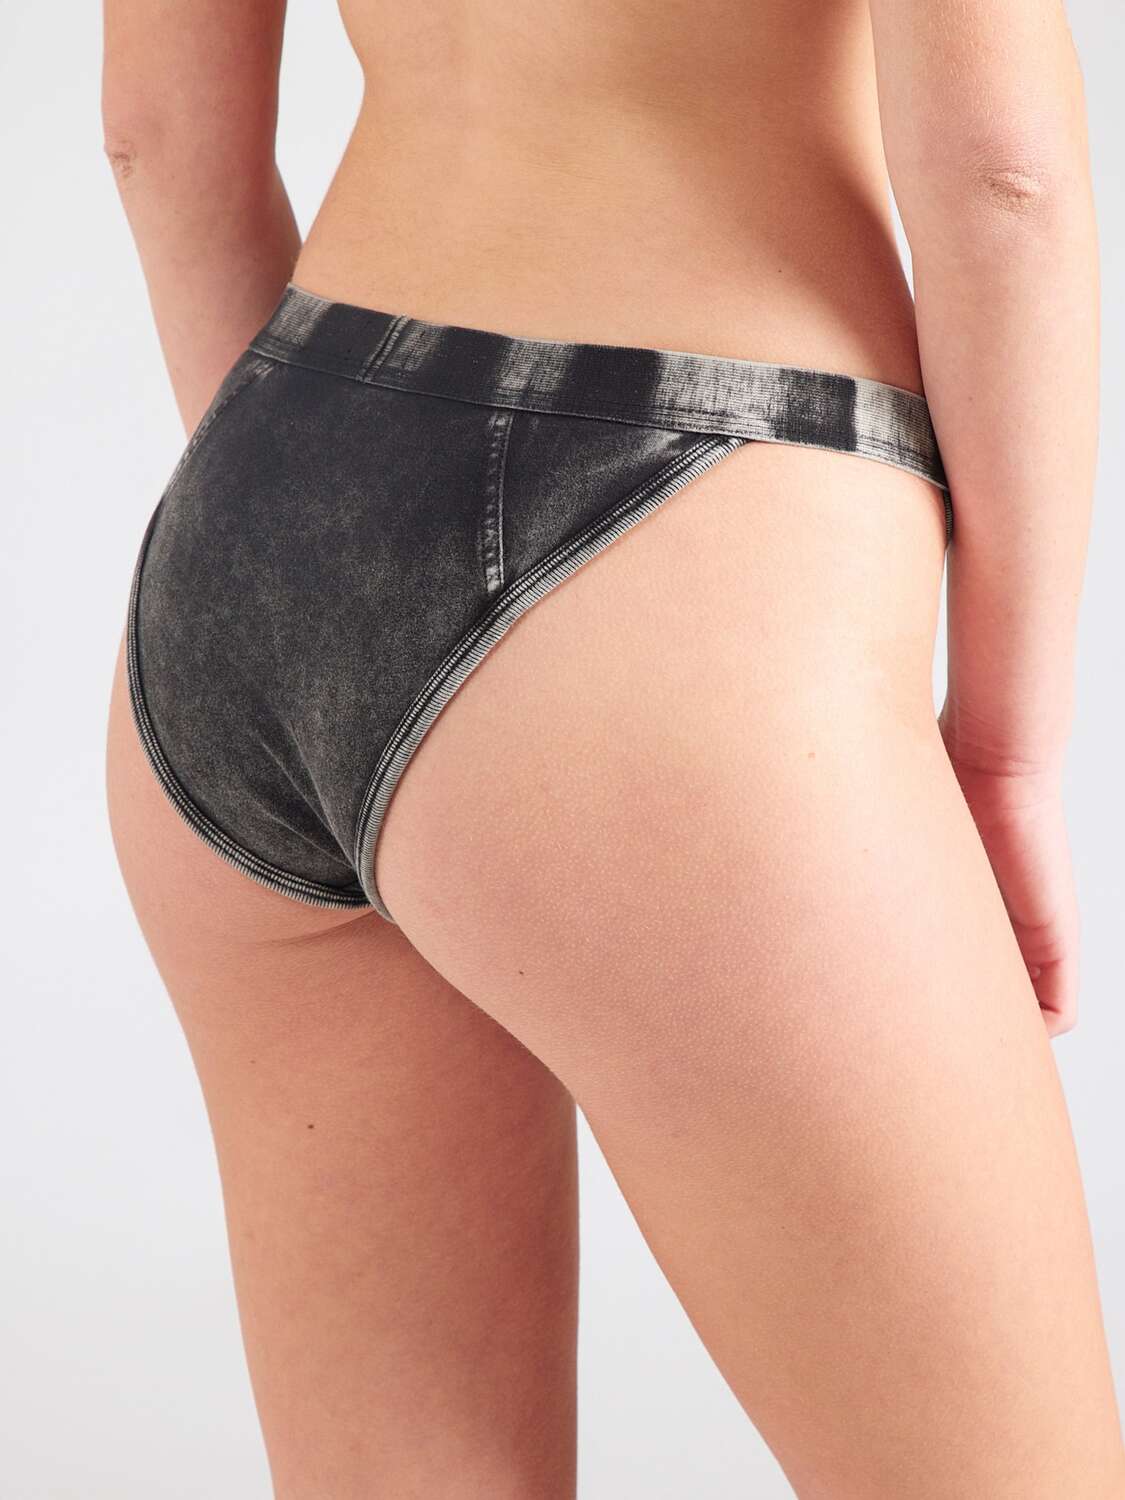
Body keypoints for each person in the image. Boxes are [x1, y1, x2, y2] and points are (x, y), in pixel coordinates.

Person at [102, 0, 1122, 1494]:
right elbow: (999, 179)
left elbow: (156, 137)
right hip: (683, 519)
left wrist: (314, 546)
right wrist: (1007, 753)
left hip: (266, 495)